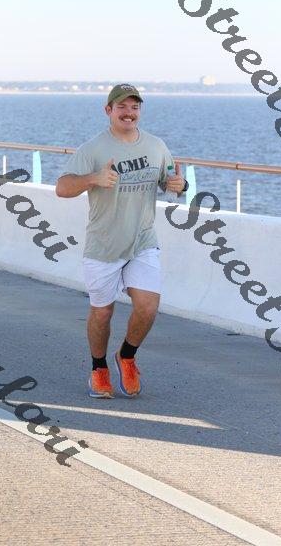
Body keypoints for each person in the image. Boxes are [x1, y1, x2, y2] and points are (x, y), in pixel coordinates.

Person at [56, 84, 188, 398]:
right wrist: (93, 178)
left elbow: (170, 181)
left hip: (143, 241)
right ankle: (98, 367)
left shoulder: (156, 146)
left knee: (148, 307)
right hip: (103, 246)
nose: (129, 113)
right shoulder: (93, 149)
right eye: (122, 107)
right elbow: (62, 187)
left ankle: (126, 356)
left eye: (134, 107)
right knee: (102, 313)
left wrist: (180, 185)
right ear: (109, 111)